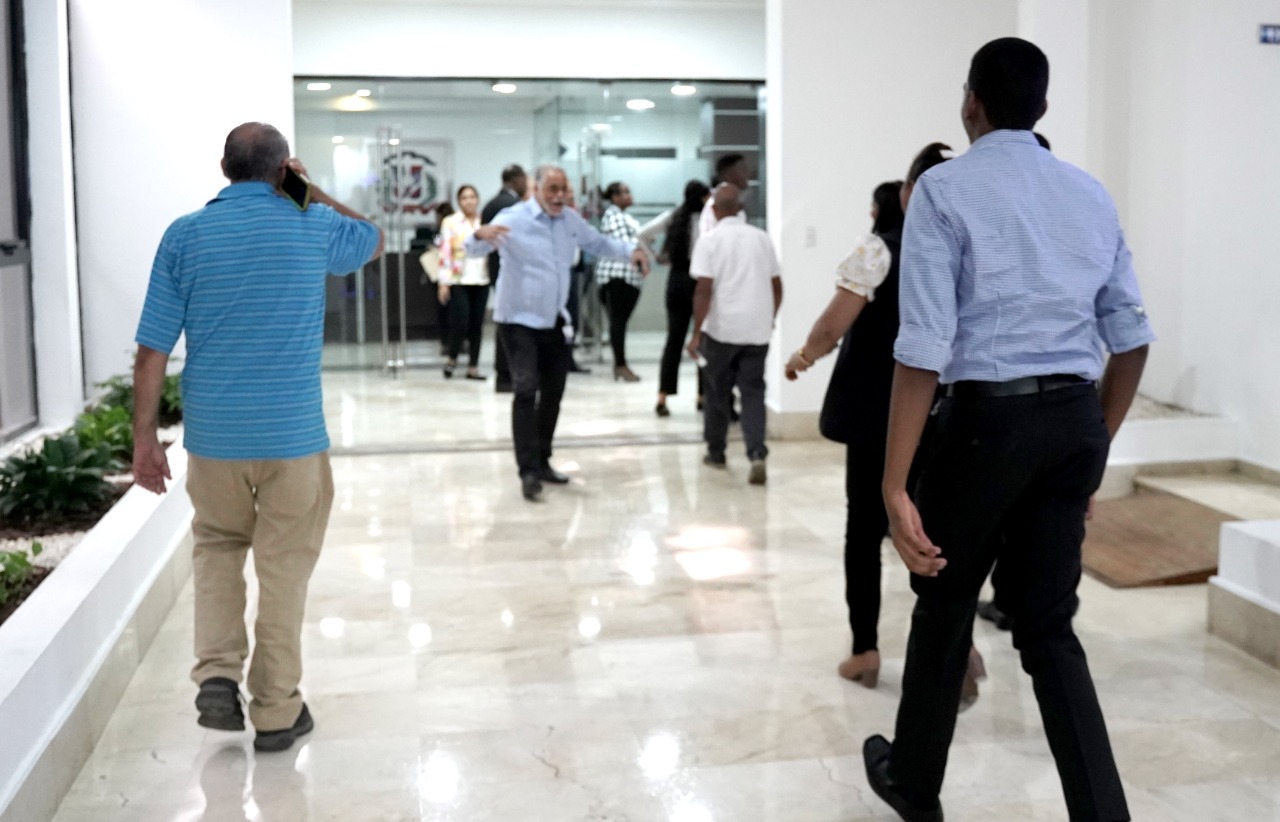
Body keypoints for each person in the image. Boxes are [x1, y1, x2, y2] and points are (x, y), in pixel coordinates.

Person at [862, 38, 1154, 822]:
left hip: (987, 425)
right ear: (1043, 106)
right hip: (1074, 420)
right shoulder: (1089, 194)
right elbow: (1131, 340)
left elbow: (923, 347)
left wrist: (894, 484)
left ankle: (914, 786)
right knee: (1049, 627)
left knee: (945, 598)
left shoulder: (944, 189)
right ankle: (1103, 812)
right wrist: (1095, 445)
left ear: (971, 102)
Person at [131, 123, 383, 753]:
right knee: (284, 568)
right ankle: (276, 709)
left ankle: (217, 674)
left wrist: (144, 440)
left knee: (217, 547)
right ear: (283, 170)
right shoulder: (313, 223)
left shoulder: (184, 235)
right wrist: (309, 190)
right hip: (293, 436)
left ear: (224, 168)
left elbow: (151, 349)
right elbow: (373, 239)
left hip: (215, 437)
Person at [465, 164, 649, 501]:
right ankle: (527, 471)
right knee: (525, 389)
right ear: (536, 189)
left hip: (554, 320)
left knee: (553, 393)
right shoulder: (514, 217)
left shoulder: (569, 220)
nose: (559, 195)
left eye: (563, 189)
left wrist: (631, 252)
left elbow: (598, 243)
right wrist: (479, 235)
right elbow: (474, 249)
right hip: (518, 320)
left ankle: (543, 460)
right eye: (552, 188)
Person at [687, 183, 782, 485]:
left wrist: (696, 332)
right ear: (739, 208)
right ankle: (757, 454)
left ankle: (716, 452)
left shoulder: (709, 241)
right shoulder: (761, 238)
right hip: (757, 331)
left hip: (722, 330)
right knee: (753, 393)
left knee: (717, 391)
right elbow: (777, 286)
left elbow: (703, 290)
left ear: (714, 210)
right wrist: (769, 319)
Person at [642, 180, 710, 417]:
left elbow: (642, 234)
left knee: (674, 340)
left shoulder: (673, 217)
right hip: (701, 281)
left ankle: (662, 396)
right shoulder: (707, 220)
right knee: (702, 338)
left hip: (677, 280)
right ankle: (702, 396)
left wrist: (656, 257)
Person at [481, 164, 528, 392]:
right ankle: (507, 374)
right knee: (510, 325)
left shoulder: (491, 203)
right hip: (509, 271)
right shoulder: (512, 207)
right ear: (516, 180)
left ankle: (505, 374)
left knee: (505, 321)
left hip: (496, 269)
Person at [436, 184, 490, 380]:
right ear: (459, 202)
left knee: (477, 323)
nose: (469, 201)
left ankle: (473, 366)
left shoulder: (484, 221)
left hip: (481, 277)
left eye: (472, 197)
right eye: (464, 198)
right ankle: (452, 358)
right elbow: (445, 253)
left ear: (478, 199)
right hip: (459, 278)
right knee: (460, 320)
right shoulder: (451, 222)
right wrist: (443, 282)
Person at [595, 181, 646, 382]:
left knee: (619, 322)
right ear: (614, 197)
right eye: (624, 192)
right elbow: (625, 243)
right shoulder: (613, 215)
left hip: (627, 277)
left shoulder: (623, 216)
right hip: (617, 276)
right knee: (618, 322)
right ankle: (620, 365)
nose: (629, 195)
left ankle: (620, 364)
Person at [700, 153, 750, 236]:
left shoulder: (734, 201)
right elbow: (708, 239)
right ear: (729, 174)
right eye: (743, 169)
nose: (747, 174)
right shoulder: (715, 203)